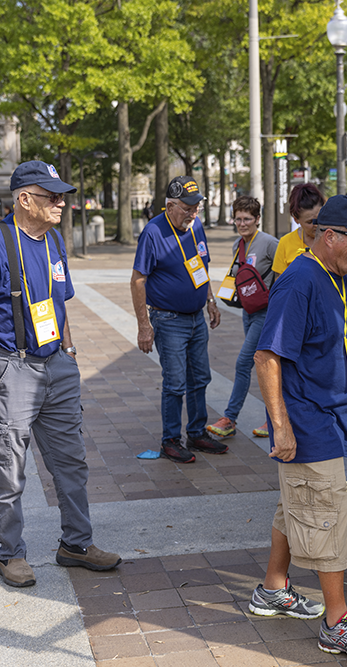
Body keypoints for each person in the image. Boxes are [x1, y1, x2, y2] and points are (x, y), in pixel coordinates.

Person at [0, 160, 121, 588]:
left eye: (62, 196)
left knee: (71, 462)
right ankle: (10, 554)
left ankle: (76, 544)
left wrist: (69, 353)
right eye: (52, 196)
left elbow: (59, 301)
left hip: (56, 364)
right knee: (9, 467)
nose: (61, 203)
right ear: (24, 199)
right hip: (11, 366)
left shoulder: (53, 240)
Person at [249, 195, 347, 660]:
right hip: (309, 422)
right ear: (329, 236)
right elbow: (266, 357)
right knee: (328, 516)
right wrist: (282, 427)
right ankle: (337, 622)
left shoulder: (333, 275)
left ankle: (273, 588)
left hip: (326, 417)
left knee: (295, 507)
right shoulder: (302, 280)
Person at [131, 176, 228, 463]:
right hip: (168, 319)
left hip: (196, 317)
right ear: (170, 205)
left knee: (200, 378)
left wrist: (210, 300)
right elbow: (138, 280)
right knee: (175, 383)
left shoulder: (195, 226)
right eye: (187, 208)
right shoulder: (153, 232)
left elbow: (201, 265)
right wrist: (144, 326)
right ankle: (170, 440)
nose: (193, 213)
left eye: (197, 207)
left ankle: (196, 432)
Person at [206, 196, 278, 440]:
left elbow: (285, 275)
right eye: (238, 219)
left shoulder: (270, 243)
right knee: (264, 365)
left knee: (243, 363)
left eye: (247, 219)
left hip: (265, 314)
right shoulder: (238, 244)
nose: (242, 223)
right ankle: (274, 419)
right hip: (248, 312)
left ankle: (230, 418)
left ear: (257, 219)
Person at [270, 183, 326, 277]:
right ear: (296, 219)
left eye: (320, 218)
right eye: (309, 222)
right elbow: (280, 281)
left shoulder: (334, 237)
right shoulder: (285, 243)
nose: (316, 225)